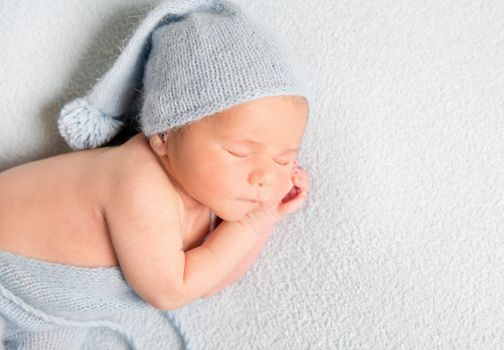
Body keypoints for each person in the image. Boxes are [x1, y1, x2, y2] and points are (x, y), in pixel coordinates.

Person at [0, 0, 311, 347]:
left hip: (54, 313)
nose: (264, 176)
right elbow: (173, 289)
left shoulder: (207, 197)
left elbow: (209, 282)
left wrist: (262, 220)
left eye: (284, 160)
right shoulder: (137, 178)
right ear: (164, 135)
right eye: (240, 152)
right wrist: (250, 223)